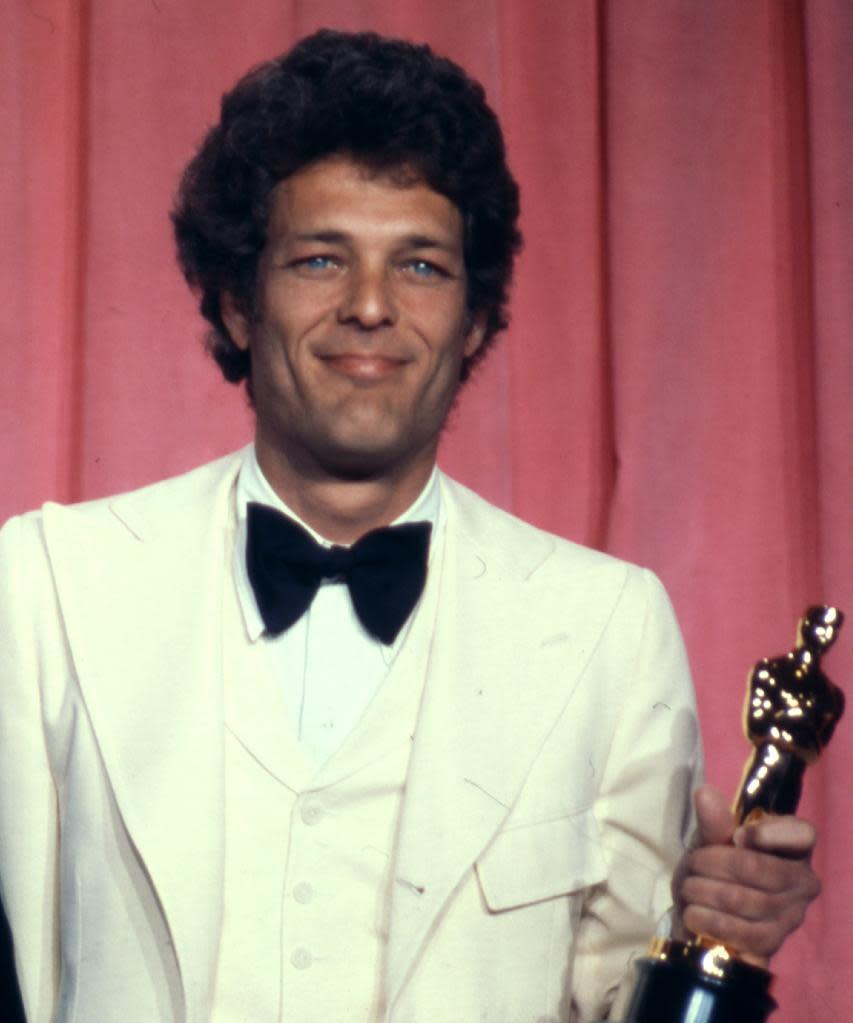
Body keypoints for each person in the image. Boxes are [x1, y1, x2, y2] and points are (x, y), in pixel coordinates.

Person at [0, 29, 819, 1023]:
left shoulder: (609, 627)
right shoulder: (43, 585)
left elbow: (626, 1000)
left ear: (474, 320)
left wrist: (720, 937)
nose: (372, 307)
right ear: (235, 300)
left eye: (421, 266)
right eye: (318, 259)